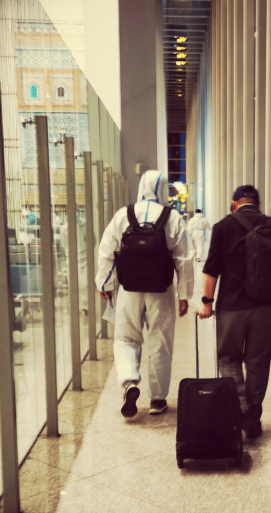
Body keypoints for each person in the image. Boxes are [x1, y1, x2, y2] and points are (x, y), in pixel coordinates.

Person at [96, 170, 194, 417]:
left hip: (129, 288)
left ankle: (129, 382)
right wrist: (184, 295)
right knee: (160, 341)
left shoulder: (123, 215)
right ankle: (157, 400)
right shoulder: (172, 217)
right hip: (160, 289)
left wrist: (104, 285)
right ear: (163, 190)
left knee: (125, 338)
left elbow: (107, 251)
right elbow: (184, 259)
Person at [199, 185, 271, 439]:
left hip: (232, 307)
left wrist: (206, 301)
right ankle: (253, 415)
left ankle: (239, 410)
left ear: (234, 203)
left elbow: (212, 269)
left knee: (229, 358)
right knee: (258, 361)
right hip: (266, 306)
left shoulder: (223, 227)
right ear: (258, 205)